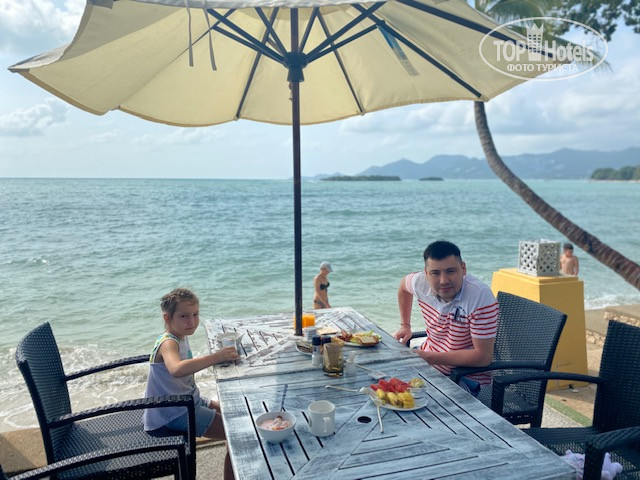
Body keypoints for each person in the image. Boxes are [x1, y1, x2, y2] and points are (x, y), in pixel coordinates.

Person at [143, 288, 238, 480]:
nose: (192, 321)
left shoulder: (180, 337)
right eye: (184, 316)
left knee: (235, 414)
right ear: (167, 318)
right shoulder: (168, 343)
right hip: (173, 413)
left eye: (195, 314)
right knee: (237, 434)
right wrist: (216, 357)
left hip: (188, 401)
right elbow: (176, 369)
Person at [393, 241, 498, 395]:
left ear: (463, 269)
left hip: (465, 378)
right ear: (426, 273)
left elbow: (483, 357)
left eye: (450, 271)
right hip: (428, 365)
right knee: (382, 384)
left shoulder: (479, 295)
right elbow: (403, 286)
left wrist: (430, 357)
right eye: (435, 273)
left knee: (416, 403)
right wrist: (405, 325)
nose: (444, 280)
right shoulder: (420, 282)